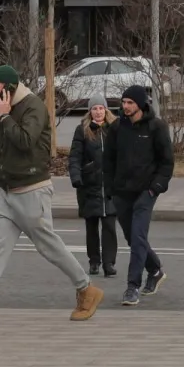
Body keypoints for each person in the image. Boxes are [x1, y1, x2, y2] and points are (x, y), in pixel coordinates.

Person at [0, 65, 103, 325]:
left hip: (32, 190)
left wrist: (5, 117)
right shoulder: (6, 106)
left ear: (8, 88)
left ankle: (86, 289)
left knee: (48, 246)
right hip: (5, 191)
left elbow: (25, 141)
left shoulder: (33, 107)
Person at [106, 85, 174, 307]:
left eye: (130, 103)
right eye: (123, 102)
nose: (125, 107)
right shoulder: (117, 128)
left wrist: (155, 187)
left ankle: (132, 286)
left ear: (140, 104)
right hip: (122, 191)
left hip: (146, 191)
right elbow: (108, 161)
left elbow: (167, 162)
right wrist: (110, 188)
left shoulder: (157, 127)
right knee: (132, 237)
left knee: (137, 236)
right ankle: (154, 269)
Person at [70, 98, 117, 279]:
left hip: (110, 186)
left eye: (101, 108)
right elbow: (75, 156)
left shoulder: (114, 128)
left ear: (106, 110)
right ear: (90, 111)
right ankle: (94, 261)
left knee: (109, 226)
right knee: (92, 226)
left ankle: (109, 263)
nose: (98, 112)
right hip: (89, 185)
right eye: (95, 108)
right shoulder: (82, 130)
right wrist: (76, 176)